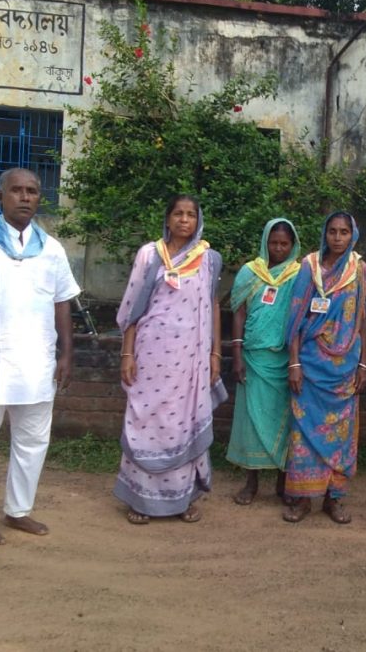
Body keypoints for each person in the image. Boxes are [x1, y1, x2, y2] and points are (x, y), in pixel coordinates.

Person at [0, 168, 81, 545]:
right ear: (0, 196)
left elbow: (62, 303)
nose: (25, 197)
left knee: (32, 440)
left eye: (32, 191)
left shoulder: (52, 248)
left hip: (37, 361)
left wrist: (66, 353)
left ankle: (18, 510)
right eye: (17, 191)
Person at [115, 194, 223, 524]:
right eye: (178, 213)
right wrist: (127, 353)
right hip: (150, 357)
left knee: (184, 423)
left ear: (198, 220)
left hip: (191, 361)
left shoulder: (209, 259)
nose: (184, 220)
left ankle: (183, 498)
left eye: (191, 214)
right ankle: (140, 499)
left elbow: (214, 305)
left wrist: (215, 353)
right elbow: (133, 306)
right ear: (167, 218)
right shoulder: (149, 255)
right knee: (146, 420)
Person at [282, 212, 366, 524]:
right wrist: (293, 362)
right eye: (332, 231)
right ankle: (304, 499)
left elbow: (361, 318)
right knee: (303, 432)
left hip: (345, 367)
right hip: (309, 363)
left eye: (344, 232)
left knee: (342, 435)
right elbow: (295, 316)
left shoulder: (358, 270)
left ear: (352, 235)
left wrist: (363, 362)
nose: (337, 237)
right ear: (325, 234)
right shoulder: (310, 267)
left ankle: (334, 499)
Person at [227, 218, 301, 505]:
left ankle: (284, 483)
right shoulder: (249, 272)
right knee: (250, 422)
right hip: (253, 358)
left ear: (293, 245)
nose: (279, 248)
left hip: (284, 360)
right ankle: (251, 482)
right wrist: (236, 355)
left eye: (284, 243)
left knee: (284, 422)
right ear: (265, 243)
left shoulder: (298, 275)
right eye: (274, 243)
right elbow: (238, 313)